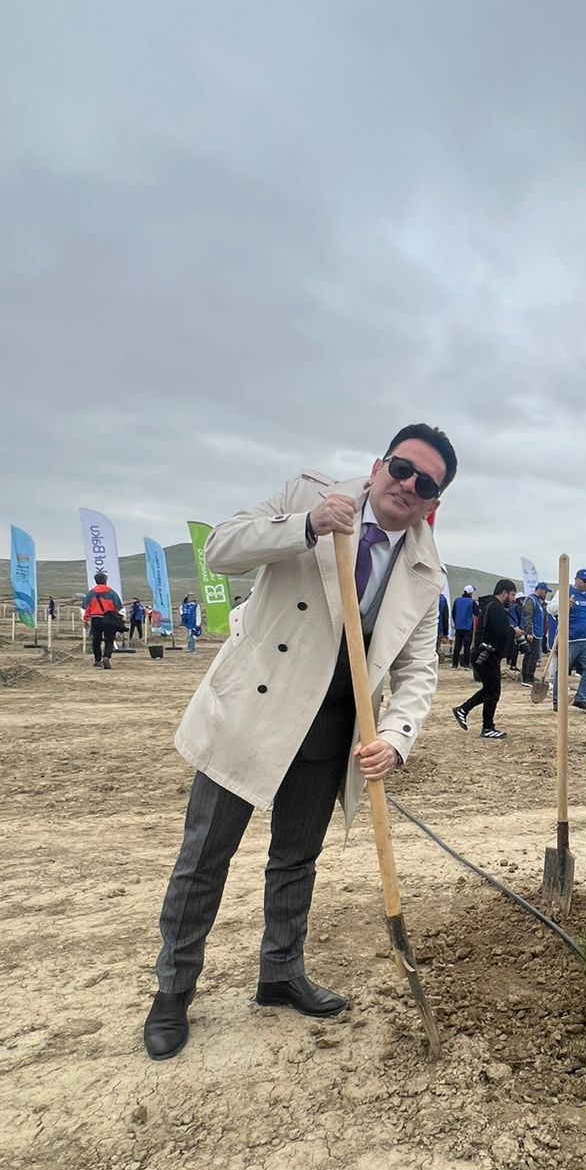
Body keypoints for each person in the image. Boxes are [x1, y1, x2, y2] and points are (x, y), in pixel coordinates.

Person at [142, 423, 457, 1061]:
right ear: (378, 465)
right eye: (401, 468)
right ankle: (173, 990)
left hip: (334, 729)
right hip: (253, 712)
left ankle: (280, 972)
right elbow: (222, 550)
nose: (407, 485)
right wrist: (306, 527)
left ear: (434, 503)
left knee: (295, 860)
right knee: (205, 857)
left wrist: (395, 739)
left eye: (425, 483)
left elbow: (418, 671)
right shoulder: (305, 495)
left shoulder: (426, 571)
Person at [452, 579, 520, 739]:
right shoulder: (495, 607)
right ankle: (487, 727)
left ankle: (463, 710)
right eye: (512, 594)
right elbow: (501, 631)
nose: (513, 599)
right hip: (487, 655)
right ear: (503, 592)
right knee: (493, 691)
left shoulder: (488, 605)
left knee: (490, 690)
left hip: (484, 653)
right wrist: (514, 633)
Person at [550, 568, 586, 712]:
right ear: (576, 580)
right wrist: (564, 606)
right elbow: (550, 609)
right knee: (563, 671)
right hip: (569, 639)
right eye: (585, 581)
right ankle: (557, 701)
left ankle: (580, 698)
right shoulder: (565, 592)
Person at [82, 571, 124, 669]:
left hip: (96, 618)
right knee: (109, 639)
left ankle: (97, 660)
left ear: (95, 581)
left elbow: (86, 607)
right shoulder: (112, 593)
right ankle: (106, 657)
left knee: (96, 639)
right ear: (106, 580)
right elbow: (118, 606)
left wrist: (85, 619)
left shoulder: (91, 593)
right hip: (109, 619)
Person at [521, 581, 550, 684]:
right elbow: (528, 616)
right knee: (531, 656)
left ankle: (528, 676)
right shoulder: (531, 600)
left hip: (538, 633)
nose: (546, 594)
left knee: (533, 656)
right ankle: (527, 678)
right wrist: (529, 632)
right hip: (532, 633)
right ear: (540, 590)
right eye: (545, 592)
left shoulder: (538, 602)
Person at [451, 585, 478, 668]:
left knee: (457, 646)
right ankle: (466, 663)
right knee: (467, 646)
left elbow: (453, 613)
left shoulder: (457, 600)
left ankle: (455, 663)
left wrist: (456, 623)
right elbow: (476, 613)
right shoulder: (472, 602)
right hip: (467, 627)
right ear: (470, 593)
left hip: (458, 627)